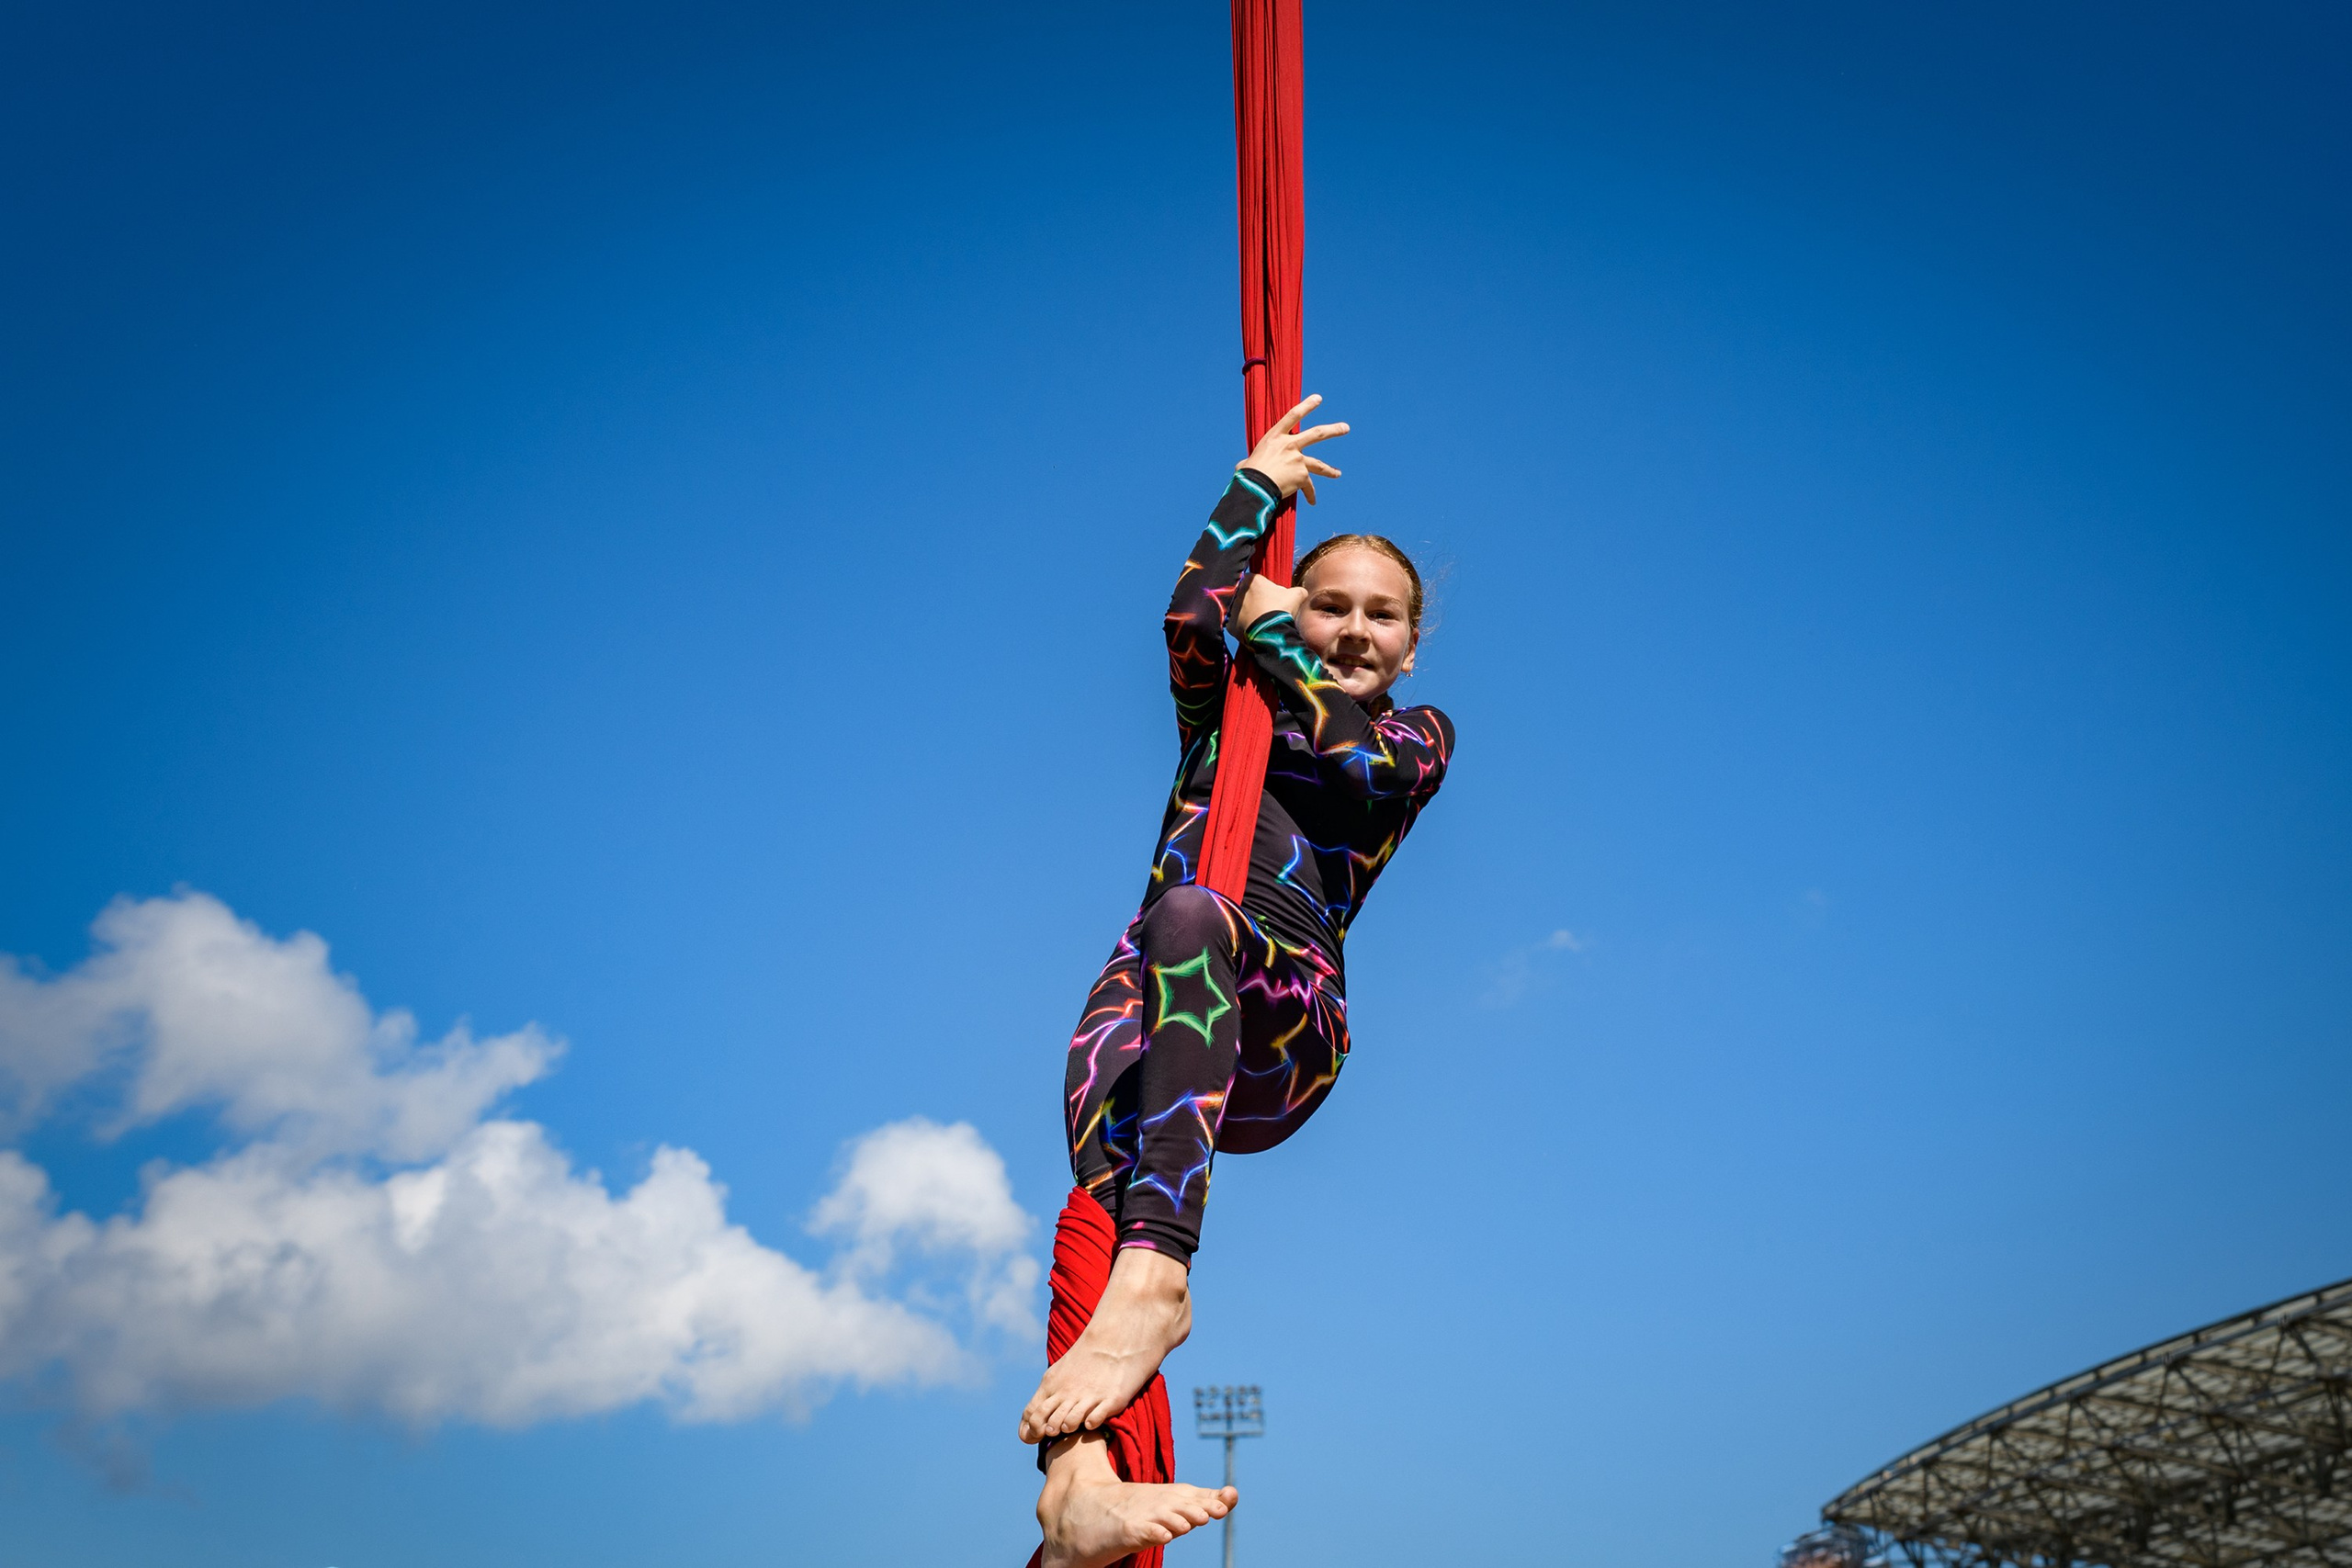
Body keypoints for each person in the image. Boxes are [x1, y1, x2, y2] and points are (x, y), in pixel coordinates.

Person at [1022, 395, 1456, 1568]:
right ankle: (1078, 1494)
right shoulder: (1225, 709)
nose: (1352, 629)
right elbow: (1190, 616)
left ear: (1411, 647)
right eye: (1330, 604)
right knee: (1090, 1202)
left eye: (1381, 616)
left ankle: (1165, 1273)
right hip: (1163, 983)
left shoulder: (1416, 738)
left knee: (1189, 912)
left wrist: (1273, 622)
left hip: (1285, 1011)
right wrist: (1250, 488)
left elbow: (1339, 750)